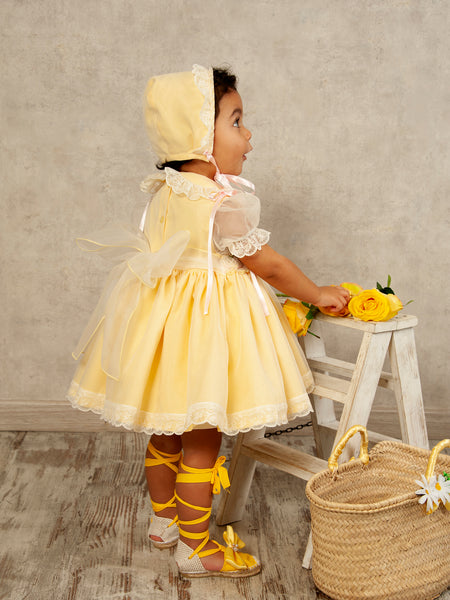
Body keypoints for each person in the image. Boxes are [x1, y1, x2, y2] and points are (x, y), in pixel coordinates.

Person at [67, 64, 349, 578]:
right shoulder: (221, 202)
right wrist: (317, 293)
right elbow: (269, 265)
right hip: (206, 338)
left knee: (166, 434)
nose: (248, 135)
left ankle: (165, 523)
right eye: (236, 121)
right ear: (199, 134)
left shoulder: (164, 192)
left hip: (166, 337)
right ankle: (196, 548)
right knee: (202, 441)